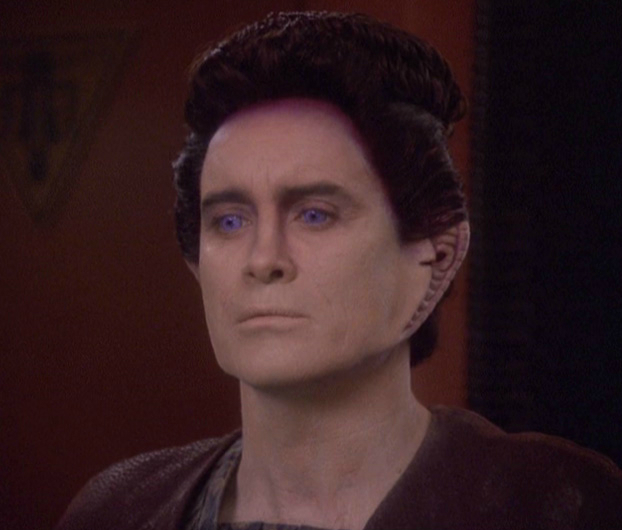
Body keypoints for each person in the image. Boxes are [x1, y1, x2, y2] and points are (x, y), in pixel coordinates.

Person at [56, 11, 622, 530]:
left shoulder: (559, 506)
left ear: (435, 257)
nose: (263, 259)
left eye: (314, 214)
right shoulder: (115, 512)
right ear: (196, 265)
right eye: (230, 221)